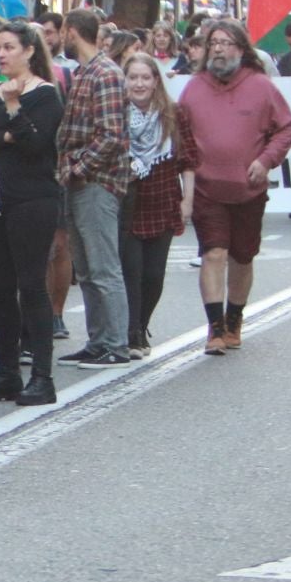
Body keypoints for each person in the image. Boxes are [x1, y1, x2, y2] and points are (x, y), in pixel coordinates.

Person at [176, 20, 291, 355]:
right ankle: (214, 329)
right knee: (213, 253)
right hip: (206, 189)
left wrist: (267, 160)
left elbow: (285, 128)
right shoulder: (194, 87)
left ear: (241, 50)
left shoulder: (261, 86)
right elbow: (180, 133)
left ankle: (234, 318)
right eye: (213, 42)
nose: (218, 48)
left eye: (227, 43)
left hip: (248, 189)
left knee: (242, 257)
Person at [0, 22, 64, 407]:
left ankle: (42, 376)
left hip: (33, 200)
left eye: (10, 47)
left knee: (30, 285)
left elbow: (35, 143)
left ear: (29, 51)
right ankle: (8, 372)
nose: (2, 54)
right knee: (0, 287)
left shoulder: (45, 95)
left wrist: (14, 109)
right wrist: (7, 133)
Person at [53, 8, 132, 369]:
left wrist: (78, 168)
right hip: (78, 181)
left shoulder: (105, 73)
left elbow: (112, 135)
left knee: (103, 267)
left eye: (62, 33)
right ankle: (98, 340)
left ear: (71, 32)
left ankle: (116, 343)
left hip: (97, 183)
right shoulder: (84, 72)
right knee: (85, 269)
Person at [119, 53, 198, 358]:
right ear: (125, 81)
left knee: (154, 276)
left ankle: (142, 322)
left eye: (145, 78)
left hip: (164, 199)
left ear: (155, 82)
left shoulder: (174, 114)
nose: (139, 84)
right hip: (129, 203)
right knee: (131, 273)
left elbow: (187, 159)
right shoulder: (117, 114)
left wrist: (187, 200)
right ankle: (132, 333)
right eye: (133, 77)